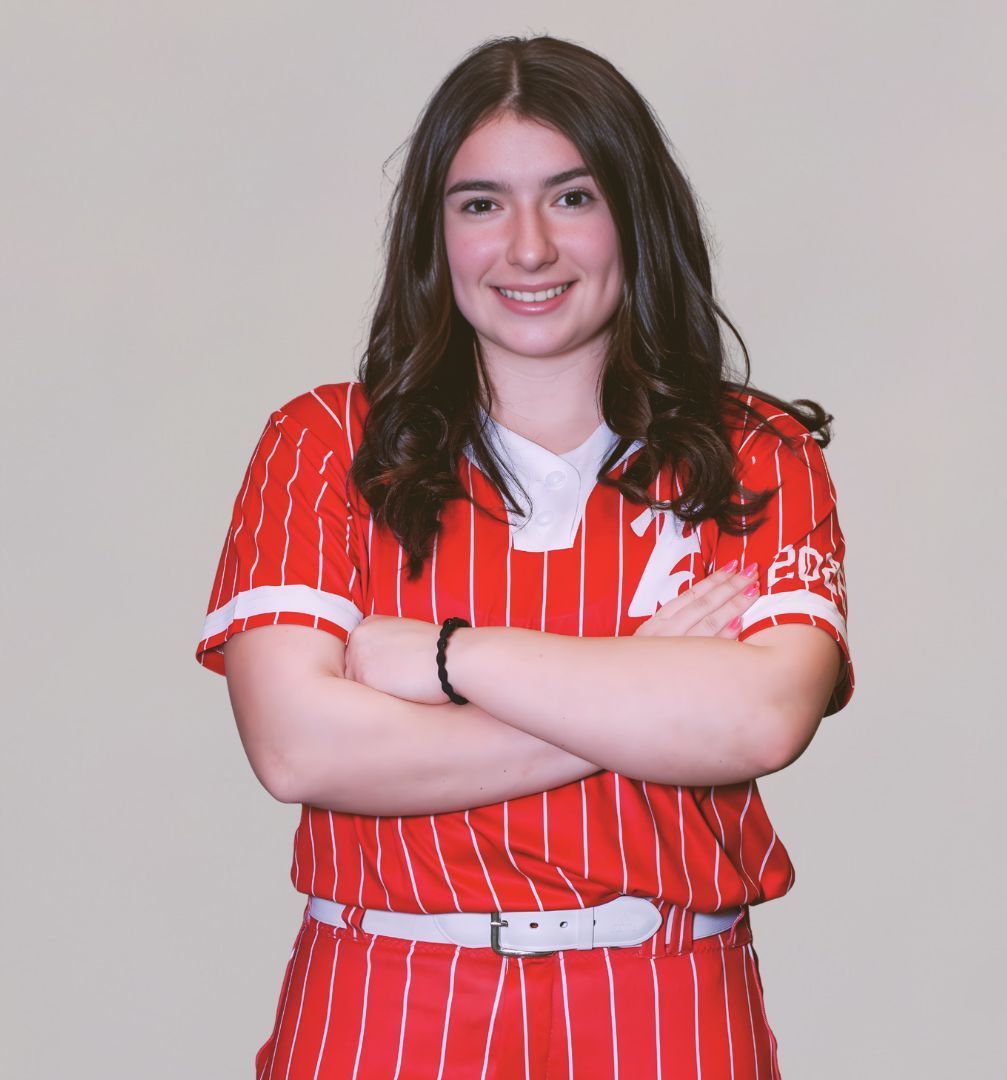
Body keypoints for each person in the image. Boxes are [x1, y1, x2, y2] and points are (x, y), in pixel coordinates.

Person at [196, 33, 854, 1080]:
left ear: (636, 215)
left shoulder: (753, 454)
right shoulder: (324, 443)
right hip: (385, 994)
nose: (530, 247)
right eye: (481, 203)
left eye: (574, 196)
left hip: (668, 996)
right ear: (434, 233)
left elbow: (761, 719)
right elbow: (298, 749)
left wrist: (449, 659)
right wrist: (640, 684)